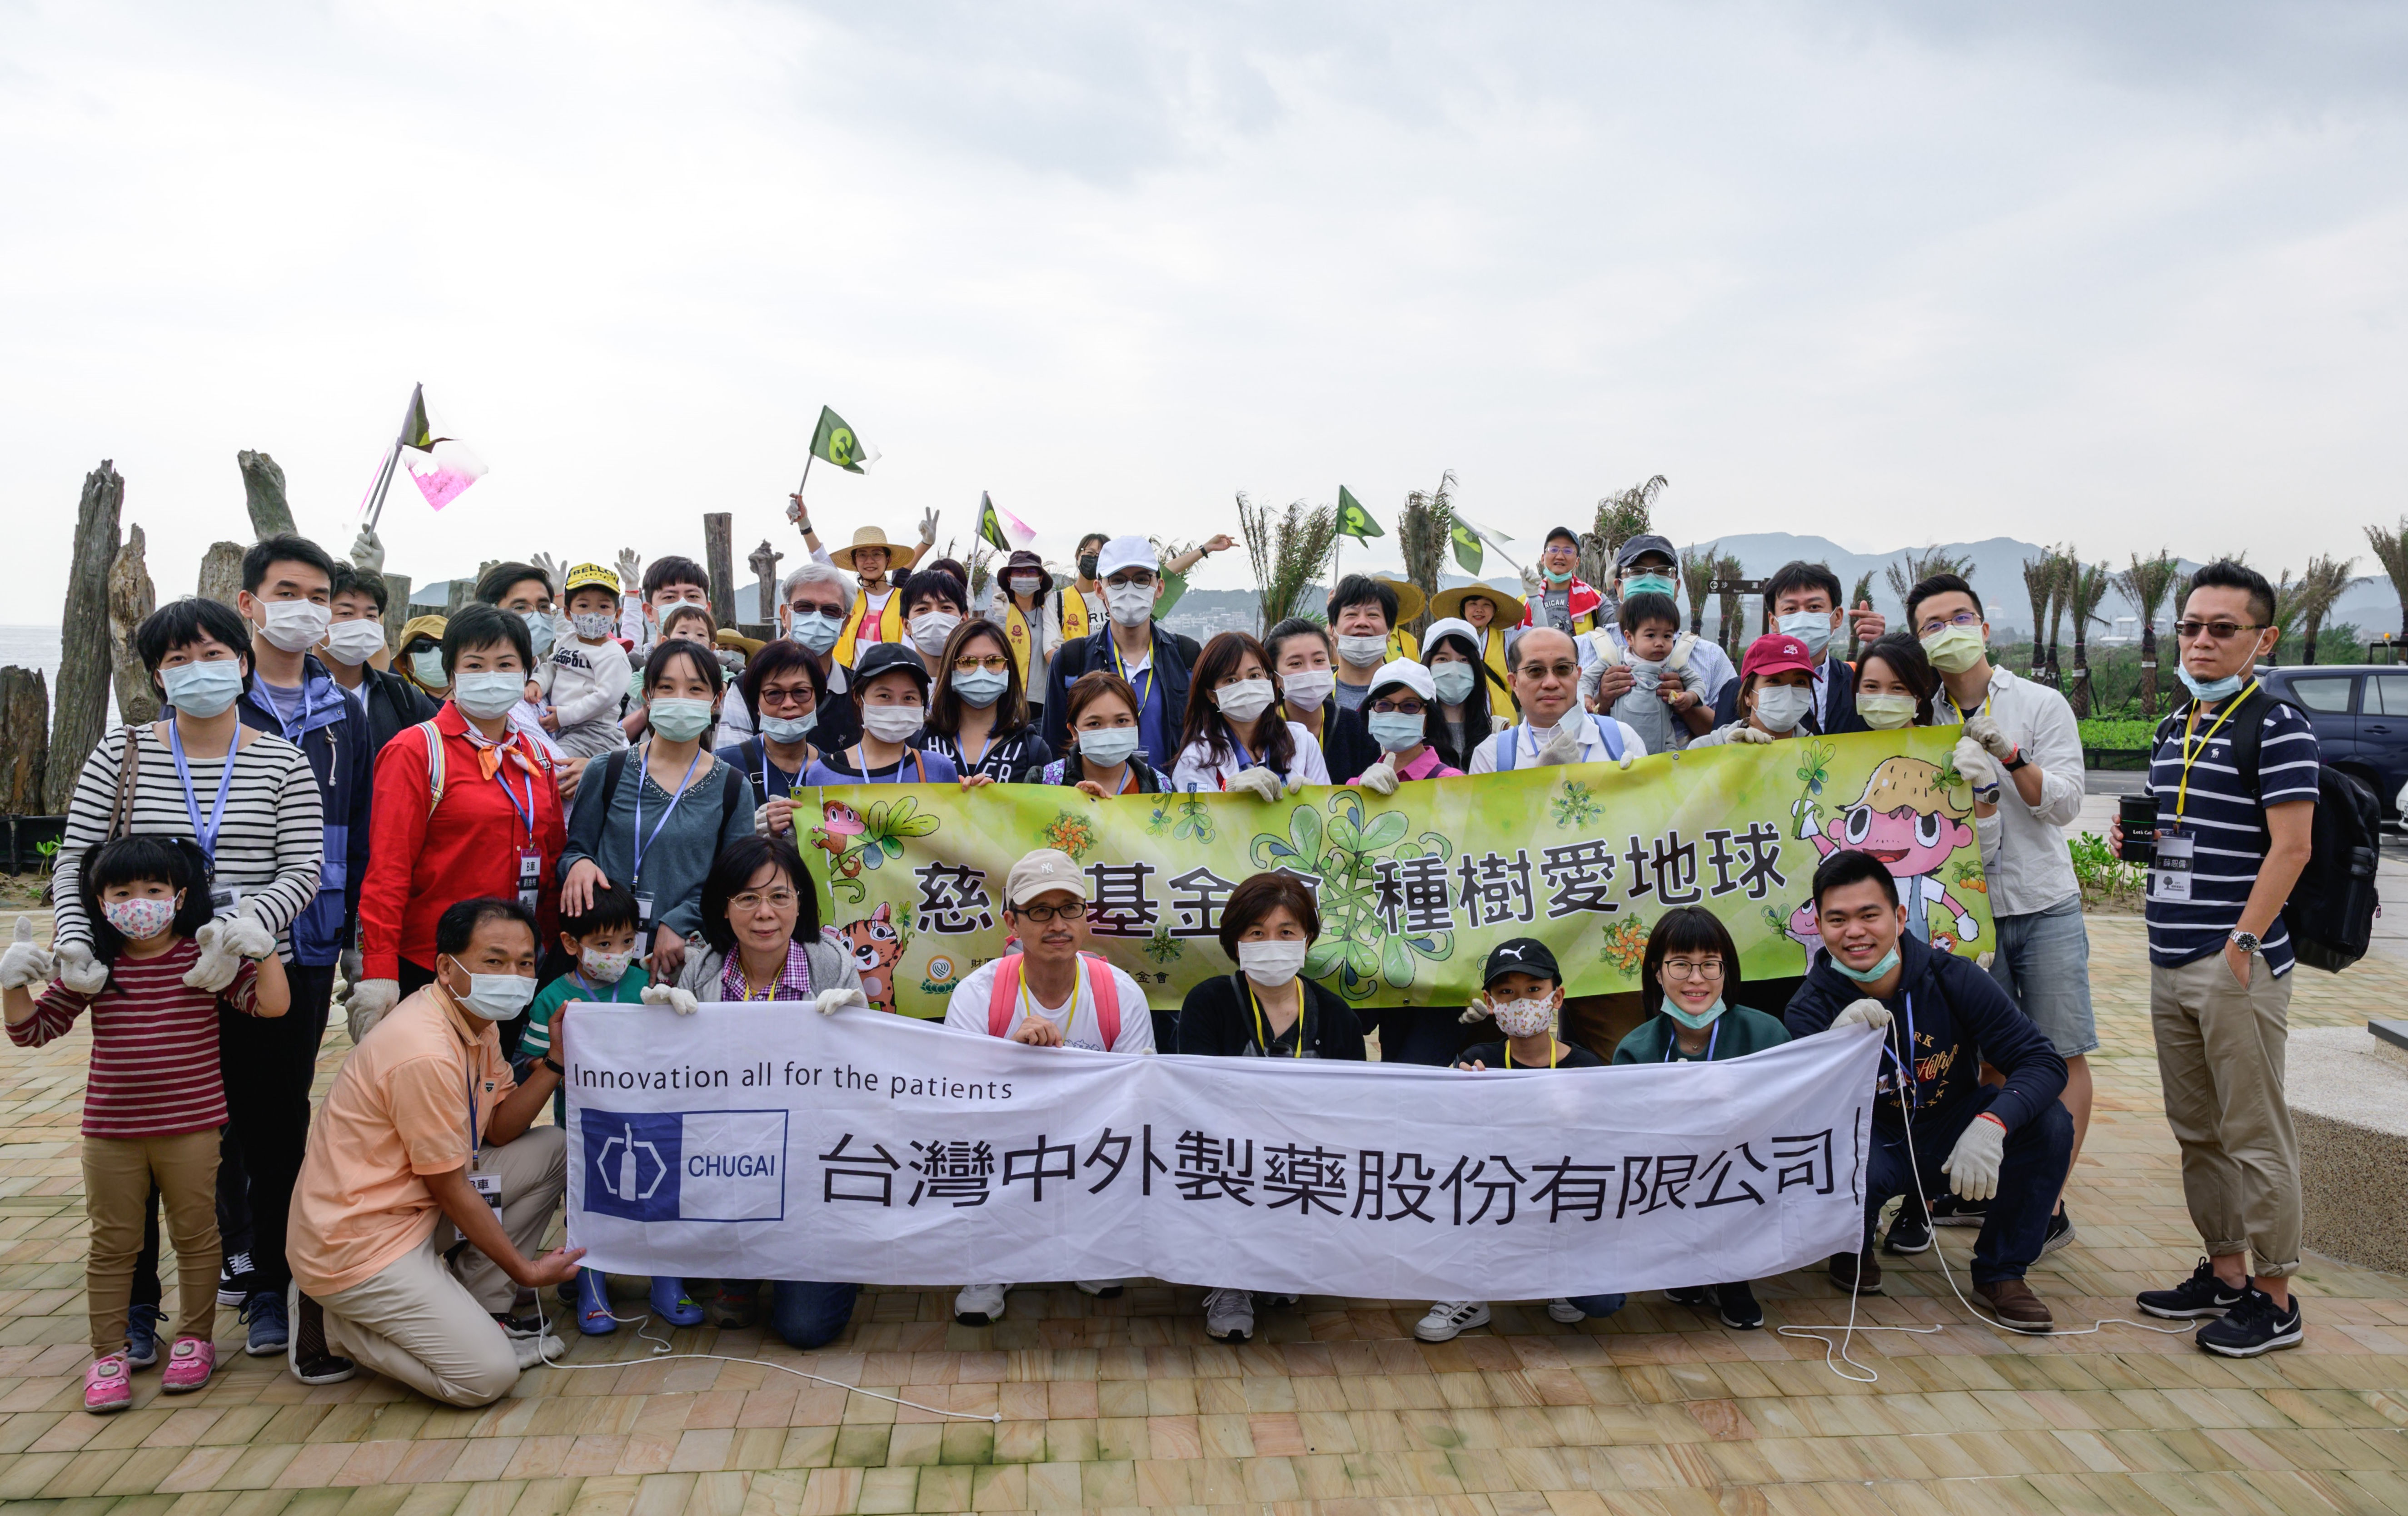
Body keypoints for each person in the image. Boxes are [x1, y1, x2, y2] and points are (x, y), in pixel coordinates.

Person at [47, 597, 327, 1353]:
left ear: (242, 662)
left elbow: (304, 863)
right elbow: (76, 861)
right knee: (141, 1140)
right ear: (155, 677)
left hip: (259, 976)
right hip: (154, 985)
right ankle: (139, 1311)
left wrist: (245, 929)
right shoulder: (123, 752)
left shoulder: (282, 757)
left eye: (212, 653)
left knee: (271, 1138)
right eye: (176, 659)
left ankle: (269, 1287)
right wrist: (78, 948)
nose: (196, 669)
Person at [2113, 560, 2319, 1357]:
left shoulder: (2275, 724)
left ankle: (2275, 1296)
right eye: (2189, 627)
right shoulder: (2175, 727)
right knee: (2195, 1128)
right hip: (2169, 956)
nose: (2200, 641)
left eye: (2220, 629)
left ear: (2260, 639)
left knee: (2254, 1132)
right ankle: (2225, 1272)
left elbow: (2291, 846)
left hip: (2231, 960)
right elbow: (2181, 837)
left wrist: (2240, 941)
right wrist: (2142, 849)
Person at [5, 837, 289, 1411]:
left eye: (155, 890)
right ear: (101, 902)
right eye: (123, 892)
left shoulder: (203, 959)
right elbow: (31, 1030)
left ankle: (195, 1338)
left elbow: (272, 1006)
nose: (140, 902)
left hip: (192, 1128)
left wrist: (265, 954)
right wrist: (12, 984)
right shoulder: (93, 968)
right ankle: (108, 1354)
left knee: (196, 1235)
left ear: (180, 896)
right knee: (112, 1243)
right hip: (110, 1131)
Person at [289, 898, 580, 1407]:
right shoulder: (424, 1049)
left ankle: (481, 1309)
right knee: (487, 1377)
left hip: (416, 1209)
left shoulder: (475, 1021)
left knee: (553, 1147)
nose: (513, 975)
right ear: (447, 967)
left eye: (525, 962)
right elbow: (449, 1186)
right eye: (494, 961)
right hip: (362, 1238)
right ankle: (336, 1325)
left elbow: (504, 1130)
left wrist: (555, 1059)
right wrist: (527, 1271)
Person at [1784, 849, 2072, 1330]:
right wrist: (1830, 1048)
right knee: (1837, 1157)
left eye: (1868, 915)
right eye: (1837, 919)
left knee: (2048, 1120)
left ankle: (2001, 1272)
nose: (1854, 931)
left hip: (1950, 1133)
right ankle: (1847, 1245)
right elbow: (1800, 1112)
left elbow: (2041, 1060)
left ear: (1899, 916)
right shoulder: (1808, 1005)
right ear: (1819, 926)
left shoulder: (1952, 977)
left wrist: (1992, 1123)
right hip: (1869, 1142)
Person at [1896, 572, 2091, 1256]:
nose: (1946, 631)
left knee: (2060, 1051)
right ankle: (1990, 1190)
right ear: (1919, 642)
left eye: (1958, 617)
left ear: (1983, 624)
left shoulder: (2037, 704)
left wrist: (2007, 758)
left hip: (2039, 902)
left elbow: (2065, 804)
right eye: (1930, 624)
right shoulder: (1917, 719)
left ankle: (2047, 1202)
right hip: (1957, 915)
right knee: (1985, 1061)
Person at [227, 534, 376, 1355]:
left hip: (310, 939)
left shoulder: (341, 715)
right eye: (288, 592)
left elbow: (351, 835)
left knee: (280, 1104)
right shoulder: (221, 699)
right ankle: (234, 1253)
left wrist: (350, 930)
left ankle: (273, 1282)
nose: (307, 610)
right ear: (248, 602)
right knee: (217, 1110)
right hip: (217, 938)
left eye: (318, 596)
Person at [642, 836, 870, 1340]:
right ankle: (738, 1270)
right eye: (747, 898)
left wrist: (855, 1026)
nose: (765, 913)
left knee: (805, 1328)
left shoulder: (830, 964)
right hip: (730, 1154)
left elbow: (865, 1079)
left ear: (800, 903)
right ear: (723, 908)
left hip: (812, 1162)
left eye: (779, 896)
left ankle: (834, 1258)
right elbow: (670, 1084)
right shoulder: (699, 971)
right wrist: (652, 1032)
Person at [942, 848, 1154, 1326]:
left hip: (1088, 1142)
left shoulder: (1120, 994)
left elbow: (1138, 1099)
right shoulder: (977, 995)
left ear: (1085, 916)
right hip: (1006, 1141)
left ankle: (1089, 1246)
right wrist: (1014, 1063)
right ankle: (990, 1263)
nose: (1056, 923)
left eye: (1069, 908)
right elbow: (957, 1103)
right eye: (1039, 911)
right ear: (1012, 921)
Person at [349, 602, 568, 1036]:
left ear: (527, 673)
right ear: (452, 674)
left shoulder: (537, 757)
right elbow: (387, 871)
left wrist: (551, 956)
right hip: (432, 966)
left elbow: (549, 863)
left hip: (513, 971)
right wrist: (378, 969)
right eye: (475, 664)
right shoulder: (416, 751)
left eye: (505, 664)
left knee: (495, 1092)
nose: (491, 675)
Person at [1175, 872, 1364, 1342]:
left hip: (1303, 1156)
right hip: (1228, 1153)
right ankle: (1229, 1280)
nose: (1272, 943)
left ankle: (1281, 1263)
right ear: (1235, 942)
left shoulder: (1336, 1013)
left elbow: (1357, 1104)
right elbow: (1192, 1095)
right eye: (1256, 933)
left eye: (1286, 932)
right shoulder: (1209, 1001)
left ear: (1308, 939)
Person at [1414, 940, 1626, 1342]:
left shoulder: (1586, 1067)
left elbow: (1607, 1150)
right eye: (1506, 992)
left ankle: (1557, 1277)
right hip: (1497, 1192)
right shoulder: (1479, 1058)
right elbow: (1443, 1140)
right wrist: (1462, 1101)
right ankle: (1470, 1293)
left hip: (1558, 1195)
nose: (1521, 1001)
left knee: (1602, 1302)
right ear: (1490, 1003)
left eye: (1534, 990)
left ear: (1556, 997)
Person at [1610, 906, 1791, 1330]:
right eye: (1681, 964)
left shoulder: (1767, 1035)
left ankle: (1733, 1276)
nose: (1696, 978)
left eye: (1710, 964)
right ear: (1657, 973)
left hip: (1745, 1172)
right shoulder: (1636, 1048)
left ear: (1726, 971)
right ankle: (1687, 1265)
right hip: (1671, 1175)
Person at [559, 640, 757, 990]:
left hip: (683, 964)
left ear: (717, 699)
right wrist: (578, 864)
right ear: (647, 696)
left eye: (695, 688)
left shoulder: (733, 787)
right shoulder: (607, 771)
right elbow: (575, 851)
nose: (680, 697)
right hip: (600, 961)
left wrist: (680, 921)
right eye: (666, 687)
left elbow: (734, 882)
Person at [1037, 535, 1198, 771]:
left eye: (1142, 580)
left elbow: (1204, 741)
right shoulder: (1072, 660)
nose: (1130, 589)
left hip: (1170, 802)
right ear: (1100, 589)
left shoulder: (1187, 657)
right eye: (1118, 580)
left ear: (1159, 588)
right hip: (1094, 804)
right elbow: (1054, 747)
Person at [1711, 561, 1884, 730]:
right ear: (1774, 621)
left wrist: (1884, 651)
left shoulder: (1860, 683)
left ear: (1837, 617)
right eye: (1791, 609)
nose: (1803, 617)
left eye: (1814, 607)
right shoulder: (1742, 688)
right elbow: (1723, 754)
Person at [1586, 535, 1737, 715]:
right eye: (1636, 571)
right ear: (1618, 586)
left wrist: (1685, 702)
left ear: (1677, 587)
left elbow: (1730, 730)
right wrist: (1601, 701)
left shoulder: (1711, 658)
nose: (1650, 579)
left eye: (1663, 571)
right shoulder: (1584, 648)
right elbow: (1554, 727)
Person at [1465, 628, 1647, 774]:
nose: (1551, 683)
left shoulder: (1623, 740)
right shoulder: (1491, 757)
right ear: (1515, 684)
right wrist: (1541, 781)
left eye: (1563, 669)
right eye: (1535, 671)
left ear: (1578, 675)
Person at [1171, 631, 1330, 797]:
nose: (1246, 686)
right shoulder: (1196, 759)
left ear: (1271, 681)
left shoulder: (1303, 741)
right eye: (1231, 680)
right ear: (1211, 694)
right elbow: (1197, 819)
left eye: (1254, 675)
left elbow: (1328, 814)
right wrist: (1229, 791)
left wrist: (1313, 798)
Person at [801, 644, 964, 785]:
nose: (897, 707)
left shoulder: (940, 769)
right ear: (858, 698)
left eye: (909, 698)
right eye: (885, 696)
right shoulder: (823, 774)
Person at [322, 564, 439, 756]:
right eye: (346, 613)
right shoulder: (292, 691)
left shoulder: (402, 696)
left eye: (371, 616)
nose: (361, 623)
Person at [717, 641, 827, 838]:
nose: (789, 704)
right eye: (774, 694)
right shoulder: (724, 766)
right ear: (756, 704)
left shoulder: (832, 773)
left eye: (801, 692)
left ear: (817, 698)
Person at [1580, 591, 1712, 753]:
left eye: (1667, 636)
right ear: (1629, 638)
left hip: (1664, 742)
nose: (1660, 643)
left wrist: (1690, 697)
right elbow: (1586, 679)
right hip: (1620, 741)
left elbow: (1697, 683)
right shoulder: (1615, 659)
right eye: (1651, 635)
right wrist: (1587, 698)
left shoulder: (1674, 664)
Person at [924, 619, 1051, 783]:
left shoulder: (1033, 749)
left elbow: (1050, 807)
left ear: (1008, 669)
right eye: (967, 662)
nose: (981, 671)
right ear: (950, 670)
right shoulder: (921, 741)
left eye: (994, 661)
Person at [536, 562, 633, 759]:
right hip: (567, 728)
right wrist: (537, 683)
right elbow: (552, 668)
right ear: (567, 613)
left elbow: (605, 697)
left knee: (551, 764)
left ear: (617, 615)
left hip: (595, 734)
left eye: (603, 606)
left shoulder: (613, 654)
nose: (593, 614)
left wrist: (564, 717)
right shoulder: (567, 640)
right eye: (583, 606)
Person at [1266, 618, 1379, 783]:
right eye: (1296, 663)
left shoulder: (1355, 725)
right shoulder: (1263, 732)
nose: (1311, 671)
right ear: (1275, 677)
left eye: (1319, 661)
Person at [1027, 671, 1174, 793]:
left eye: (1121, 721)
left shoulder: (1161, 789)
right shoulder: (1044, 783)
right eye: (1095, 724)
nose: (1110, 733)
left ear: (1136, 723)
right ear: (1074, 731)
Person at [1689, 633, 1818, 748]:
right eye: (1774, 681)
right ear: (1748, 695)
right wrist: (1728, 760)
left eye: (1800, 682)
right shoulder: (1704, 749)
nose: (1788, 692)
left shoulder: (1821, 755)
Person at [1351, 661, 1463, 790]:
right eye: (1384, 705)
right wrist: (1361, 792)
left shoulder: (1452, 783)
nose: (1395, 714)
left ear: (1430, 717)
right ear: (1370, 712)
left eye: (1410, 706)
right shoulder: (1357, 786)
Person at [828, 525, 926, 667]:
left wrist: (926, 543)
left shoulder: (905, 599)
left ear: (889, 559)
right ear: (854, 561)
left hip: (891, 682)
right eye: (862, 555)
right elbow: (823, 563)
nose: (869, 561)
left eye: (877, 554)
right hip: (849, 684)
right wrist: (805, 526)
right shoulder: (848, 597)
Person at [1419, 617, 1509, 766]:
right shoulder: (1411, 733)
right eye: (1443, 659)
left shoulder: (1500, 732)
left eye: (1464, 660)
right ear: (1427, 665)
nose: (1454, 669)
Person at [982, 549, 1060, 715]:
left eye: (1031, 572)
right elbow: (989, 651)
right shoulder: (997, 611)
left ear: (1040, 578)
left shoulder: (1049, 614)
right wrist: (1000, 618)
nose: (1025, 577)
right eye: (1018, 572)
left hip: (1042, 705)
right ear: (1010, 579)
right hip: (1005, 701)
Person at [1427, 586, 1520, 723]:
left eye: (1486, 605)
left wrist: (1535, 598)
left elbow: (1541, 638)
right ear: (1463, 609)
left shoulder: (1509, 640)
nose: (1479, 610)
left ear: (1494, 611)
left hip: (1503, 722)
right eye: (1473, 604)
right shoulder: (1448, 640)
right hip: (1461, 719)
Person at [1326, 575, 1408, 713]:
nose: (1362, 622)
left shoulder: (1408, 694)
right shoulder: (1316, 694)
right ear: (1333, 628)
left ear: (1390, 631)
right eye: (1351, 614)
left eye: (1373, 615)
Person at [1518, 527, 1605, 639]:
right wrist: (1533, 597)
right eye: (1554, 550)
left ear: (1577, 562)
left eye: (1568, 551)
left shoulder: (1596, 600)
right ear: (1543, 559)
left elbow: (1619, 632)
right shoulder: (1523, 603)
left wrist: (1616, 592)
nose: (1560, 556)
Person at [1850, 633, 1942, 731]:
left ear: (1920, 694)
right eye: (1872, 686)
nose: (1882, 701)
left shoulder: (1944, 744)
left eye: (1898, 688)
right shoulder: (1841, 744)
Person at [396, 613, 450, 701]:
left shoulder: (472, 698)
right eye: (422, 645)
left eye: (443, 645)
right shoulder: (396, 697)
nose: (436, 652)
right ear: (403, 659)